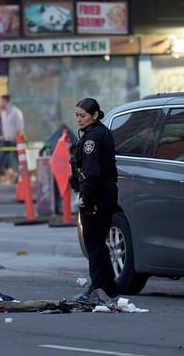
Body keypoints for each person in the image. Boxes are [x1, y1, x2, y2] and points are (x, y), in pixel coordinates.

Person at [70, 98, 120, 303]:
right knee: (99, 242)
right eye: (77, 116)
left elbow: (92, 171)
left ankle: (97, 289)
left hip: (96, 195)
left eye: (83, 116)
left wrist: (85, 197)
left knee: (94, 243)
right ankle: (109, 288)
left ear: (95, 115)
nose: (79, 120)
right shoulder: (100, 133)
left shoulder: (92, 138)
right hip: (105, 193)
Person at [0, 94, 25, 184]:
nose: (0, 103)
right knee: (0, 159)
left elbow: (19, 127)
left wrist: (17, 139)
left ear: (6, 101)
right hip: (6, 140)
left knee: (20, 160)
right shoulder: (3, 113)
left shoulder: (16, 112)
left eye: (1, 101)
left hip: (15, 140)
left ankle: (22, 178)